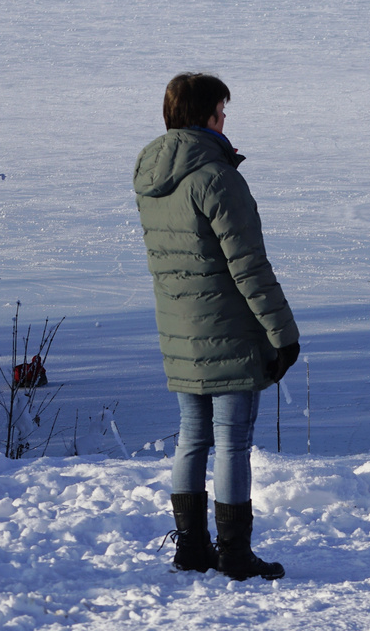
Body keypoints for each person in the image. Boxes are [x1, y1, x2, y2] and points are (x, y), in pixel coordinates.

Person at [134, 73, 299, 581]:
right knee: (230, 443)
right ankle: (234, 553)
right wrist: (282, 335)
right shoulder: (216, 176)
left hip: (178, 329)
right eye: (220, 111)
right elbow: (248, 264)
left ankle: (191, 547)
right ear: (204, 116)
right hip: (228, 331)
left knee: (191, 438)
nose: (225, 119)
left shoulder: (150, 175)